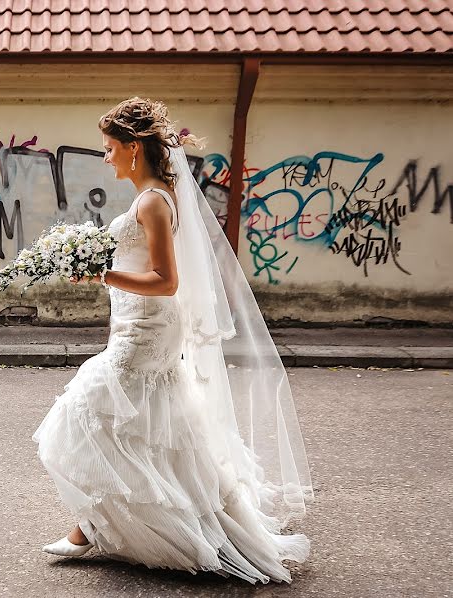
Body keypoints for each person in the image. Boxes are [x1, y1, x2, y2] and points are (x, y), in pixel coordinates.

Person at [32, 97, 313, 584]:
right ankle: (97, 526)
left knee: (95, 410)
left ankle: (100, 528)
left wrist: (104, 275)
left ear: (133, 148)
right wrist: (101, 271)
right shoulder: (155, 196)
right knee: (145, 422)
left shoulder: (154, 201)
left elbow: (166, 280)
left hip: (147, 327)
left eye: (108, 148)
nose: (105, 157)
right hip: (138, 323)